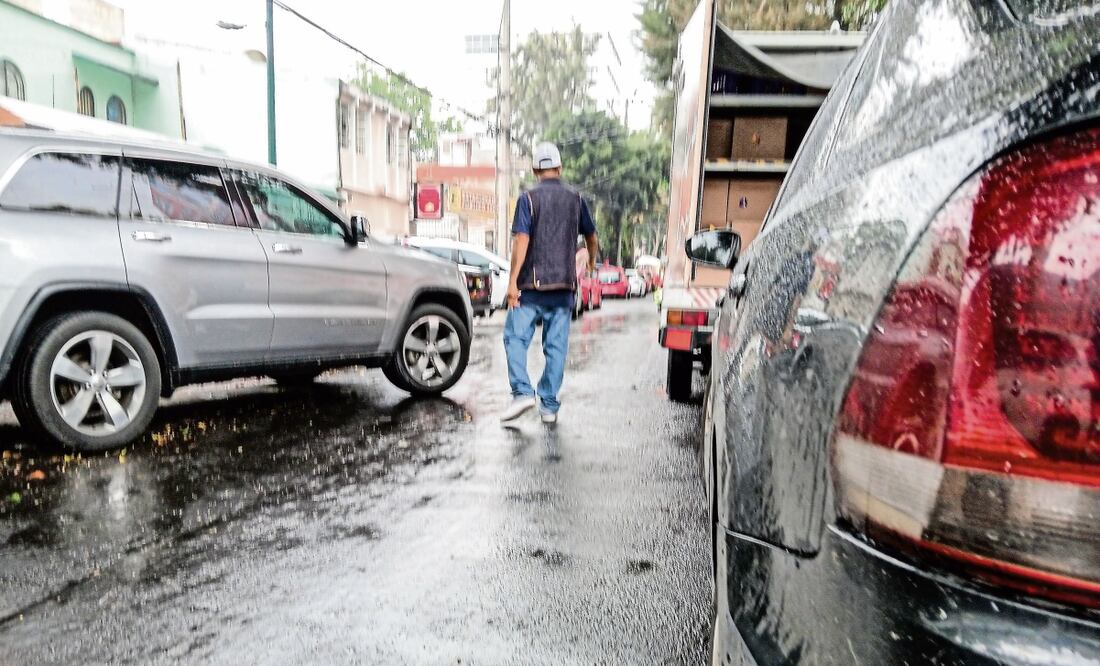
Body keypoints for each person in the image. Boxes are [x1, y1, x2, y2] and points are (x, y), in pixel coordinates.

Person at [500, 142, 599, 424]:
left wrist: (512, 283)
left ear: (535, 170)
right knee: (555, 348)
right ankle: (549, 405)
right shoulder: (576, 199)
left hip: (531, 288)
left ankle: (522, 393)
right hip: (564, 288)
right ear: (559, 168)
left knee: (515, 339)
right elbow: (592, 237)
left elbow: (522, 240)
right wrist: (591, 263)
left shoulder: (528, 199)